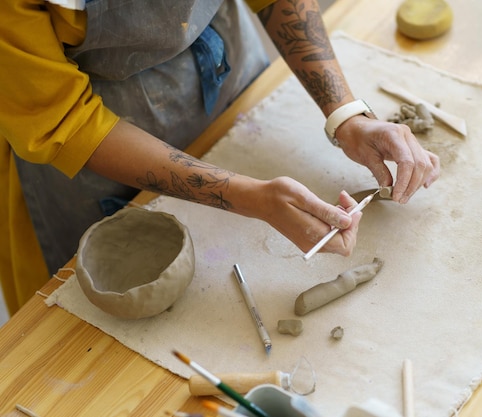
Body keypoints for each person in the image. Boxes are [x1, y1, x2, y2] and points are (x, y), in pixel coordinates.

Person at [0, 0, 440, 315]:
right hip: (94, 150)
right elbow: (69, 123)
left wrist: (346, 115)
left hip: (225, 68)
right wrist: (250, 198)